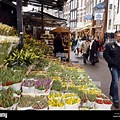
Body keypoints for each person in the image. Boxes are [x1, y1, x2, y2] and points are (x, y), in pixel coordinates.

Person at [103, 30, 120, 108]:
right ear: (115, 37)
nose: (119, 37)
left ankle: (111, 92)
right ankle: (116, 100)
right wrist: (111, 62)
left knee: (114, 81)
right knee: (116, 82)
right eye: (118, 36)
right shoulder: (110, 45)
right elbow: (105, 54)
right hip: (113, 67)